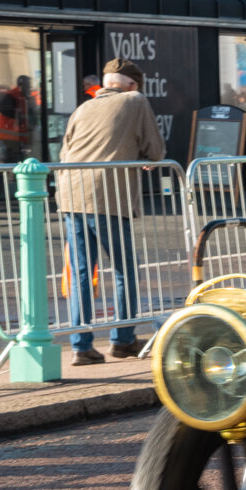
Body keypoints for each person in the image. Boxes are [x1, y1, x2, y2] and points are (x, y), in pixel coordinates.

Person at [54, 57, 165, 365]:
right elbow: (155, 151)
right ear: (132, 84)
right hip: (108, 197)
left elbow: (65, 151)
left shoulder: (83, 108)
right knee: (124, 269)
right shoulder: (136, 100)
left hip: (70, 195)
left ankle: (81, 346)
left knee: (80, 274)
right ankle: (123, 339)